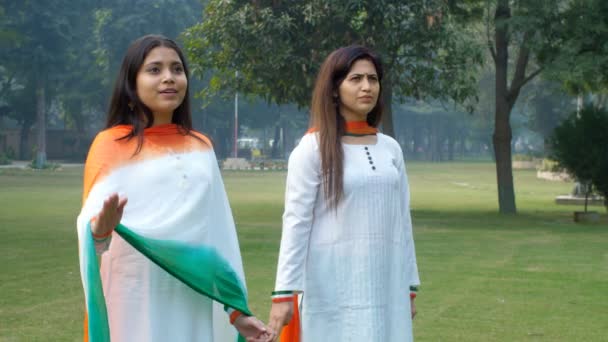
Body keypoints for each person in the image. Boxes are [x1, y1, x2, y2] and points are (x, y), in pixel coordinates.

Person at [76, 34, 275, 342]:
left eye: (177, 69)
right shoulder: (109, 145)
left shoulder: (202, 148)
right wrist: (100, 230)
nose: (169, 78)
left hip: (189, 294)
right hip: (133, 293)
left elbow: (217, 234)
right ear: (132, 83)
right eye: (154, 70)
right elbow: (93, 236)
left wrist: (237, 312)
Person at [268, 45, 420, 342]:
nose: (367, 87)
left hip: (386, 283)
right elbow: (296, 223)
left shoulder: (390, 148)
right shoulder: (312, 148)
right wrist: (284, 292)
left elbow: (402, 222)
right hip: (332, 286)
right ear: (335, 89)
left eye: (373, 79)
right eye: (356, 79)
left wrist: (409, 284)